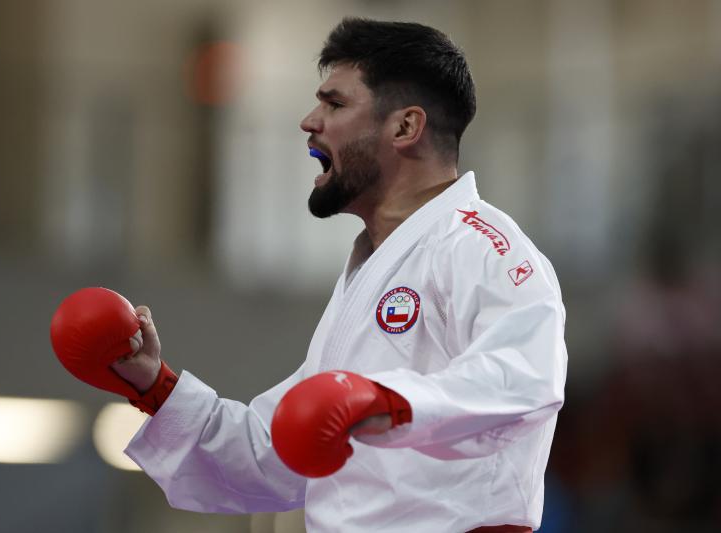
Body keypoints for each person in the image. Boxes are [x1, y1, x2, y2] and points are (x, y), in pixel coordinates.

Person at [109, 18, 567, 532]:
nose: (309, 121)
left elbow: (525, 380)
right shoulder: (370, 270)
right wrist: (155, 385)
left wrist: (381, 403)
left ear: (404, 127)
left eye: (335, 104)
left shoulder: (483, 246)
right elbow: (274, 450)